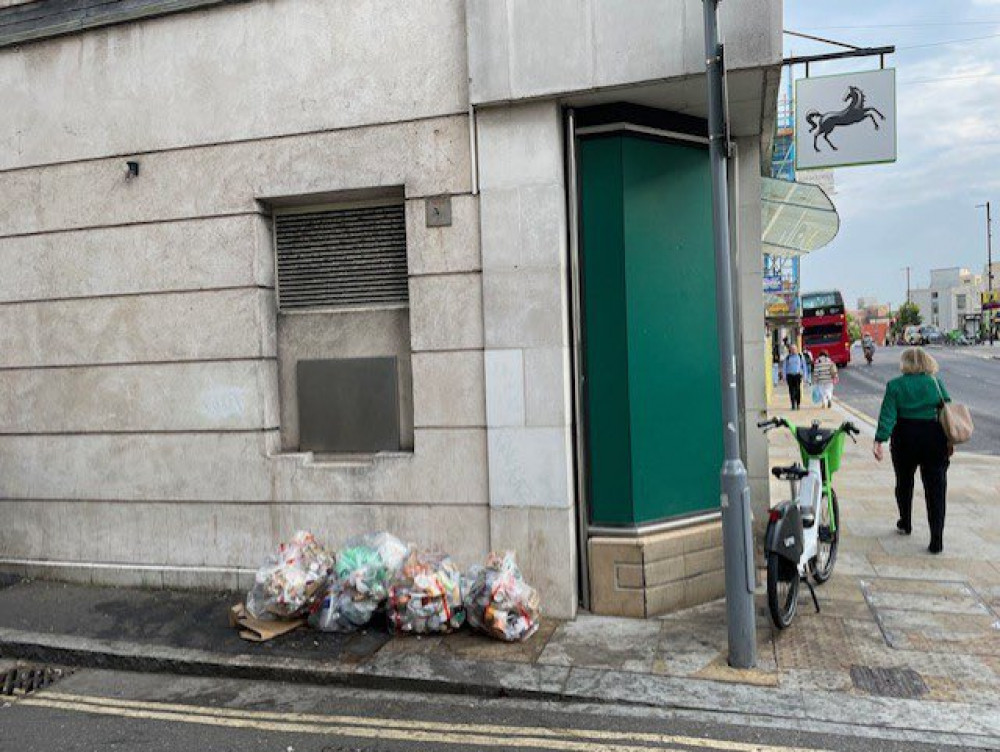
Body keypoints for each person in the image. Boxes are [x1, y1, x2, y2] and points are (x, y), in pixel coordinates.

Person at [873, 348, 951, 554]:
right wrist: (949, 441)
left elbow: (888, 414)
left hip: (904, 438)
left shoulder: (895, 386)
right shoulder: (935, 383)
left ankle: (905, 521)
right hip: (933, 438)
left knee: (904, 482)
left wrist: (879, 440)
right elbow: (947, 412)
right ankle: (936, 538)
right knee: (936, 489)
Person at [781, 344, 808, 410]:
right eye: (792, 349)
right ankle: (793, 404)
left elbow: (804, 366)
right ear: (790, 350)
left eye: (794, 349)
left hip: (797, 375)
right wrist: (784, 376)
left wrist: (805, 376)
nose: (793, 350)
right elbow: (784, 367)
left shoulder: (800, 356)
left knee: (798, 390)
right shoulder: (787, 358)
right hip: (790, 376)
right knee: (791, 390)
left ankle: (798, 404)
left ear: (797, 349)